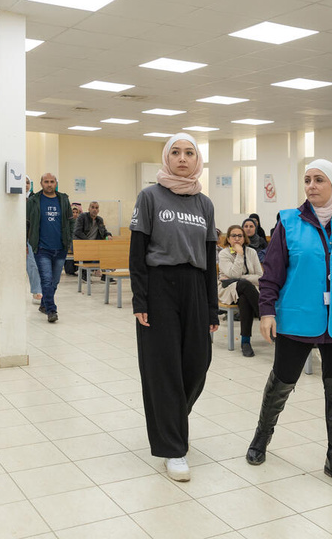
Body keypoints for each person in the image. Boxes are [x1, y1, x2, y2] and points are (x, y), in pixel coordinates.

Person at [246, 159, 332, 492]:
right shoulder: (288, 222)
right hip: (298, 316)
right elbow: (272, 272)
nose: (311, 186)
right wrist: (266, 311)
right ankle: (261, 438)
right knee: (282, 382)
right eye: (307, 180)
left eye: (319, 180)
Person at [130, 132, 218, 483]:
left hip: (195, 286)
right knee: (163, 368)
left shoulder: (205, 204)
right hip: (159, 285)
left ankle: (173, 420)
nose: (183, 158)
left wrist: (212, 307)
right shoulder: (150, 196)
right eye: (176, 152)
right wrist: (140, 299)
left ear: (197, 161)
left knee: (198, 362)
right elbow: (137, 252)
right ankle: (173, 448)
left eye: (190, 153)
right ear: (167, 158)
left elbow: (210, 258)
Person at [26, 173, 72, 322]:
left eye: (52, 182)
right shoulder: (33, 201)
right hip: (41, 248)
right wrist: (25, 243)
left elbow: (71, 221)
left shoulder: (63, 199)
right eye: (46, 182)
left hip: (60, 248)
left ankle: (44, 304)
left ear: (56, 183)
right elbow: (26, 224)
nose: (49, 184)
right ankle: (52, 310)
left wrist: (69, 240)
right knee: (46, 280)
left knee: (55, 281)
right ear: (41, 183)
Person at [218, 224, 263, 357]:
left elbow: (260, 277)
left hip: (248, 290)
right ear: (229, 238)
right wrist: (239, 254)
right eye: (233, 236)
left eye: (240, 235)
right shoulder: (224, 254)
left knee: (244, 296)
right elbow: (233, 274)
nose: (237, 238)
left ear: (244, 238)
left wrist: (242, 278)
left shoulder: (252, 252)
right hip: (228, 290)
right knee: (244, 286)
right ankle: (265, 316)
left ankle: (245, 342)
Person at [24, 177, 42, 305]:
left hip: (31, 235)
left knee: (33, 264)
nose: (25, 185)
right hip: (13, 234)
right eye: (22, 182)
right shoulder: (11, 198)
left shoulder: (35, 198)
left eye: (27, 182)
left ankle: (37, 291)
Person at [63, 203, 82, 276]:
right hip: (70, 242)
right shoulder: (67, 222)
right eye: (73, 212)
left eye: (77, 212)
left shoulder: (80, 222)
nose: (75, 214)